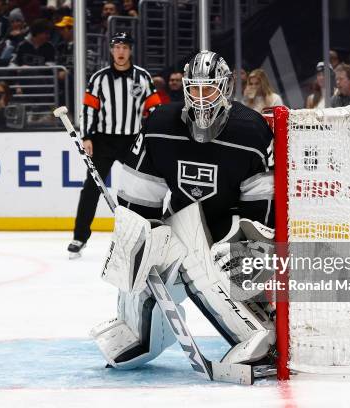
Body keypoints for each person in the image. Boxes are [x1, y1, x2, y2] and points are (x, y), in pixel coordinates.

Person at [91, 50, 276, 373]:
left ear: (225, 88)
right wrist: (143, 240)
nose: (201, 99)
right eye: (195, 90)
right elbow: (139, 199)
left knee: (203, 263)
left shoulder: (251, 132)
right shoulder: (161, 125)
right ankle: (137, 332)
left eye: (209, 90)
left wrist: (246, 249)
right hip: (182, 222)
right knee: (142, 257)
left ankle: (258, 336)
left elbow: (261, 210)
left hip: (228, 230)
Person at [68, 32, 161, 258]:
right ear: (111, 51)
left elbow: (154, 109)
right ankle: (79, 236)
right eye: (117, 47)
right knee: (91, 188)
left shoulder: (143, 77)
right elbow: (89, 109)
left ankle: (151, 234)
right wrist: (87, 136)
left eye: (125, 47)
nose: (120, 51)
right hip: (103, 141)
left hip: (133, 140)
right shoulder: (99, 79)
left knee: (145, 186)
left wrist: (152, 136)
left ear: (130, 50)